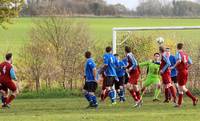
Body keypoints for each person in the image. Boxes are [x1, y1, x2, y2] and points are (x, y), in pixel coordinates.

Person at [172, 43, 198, 107]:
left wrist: (173, 67)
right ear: (182, 47)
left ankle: (194, 99)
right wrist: (186, 68)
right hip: (185, 71)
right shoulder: (185, 54)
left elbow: (179, 61)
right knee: (180, 88)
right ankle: (179, 104)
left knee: (182, 87)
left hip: (181, 72)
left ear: (177, 47)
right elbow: (191, 63)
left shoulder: (178, 53)